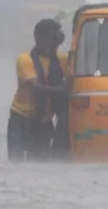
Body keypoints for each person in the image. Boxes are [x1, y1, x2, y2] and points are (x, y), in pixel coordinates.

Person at [7, 18, 68, 161]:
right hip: (21, 118)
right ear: (38, 38)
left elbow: (75, 80)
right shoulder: (25, 59)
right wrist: (63, 89)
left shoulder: (62, 60)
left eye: (56, 42)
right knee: (15, 162)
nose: (53, 45)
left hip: (44, 121)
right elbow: (37, 87)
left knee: (41, 163)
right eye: (50, 40)